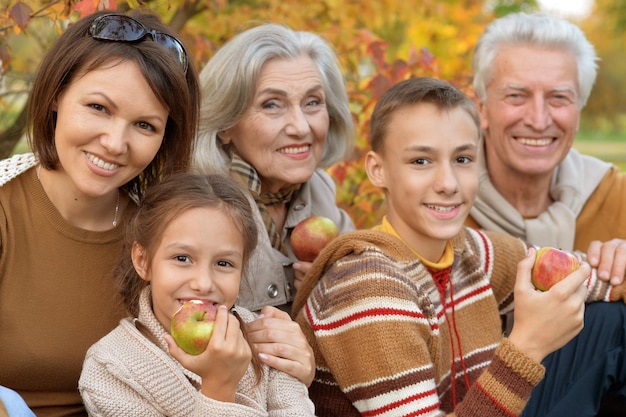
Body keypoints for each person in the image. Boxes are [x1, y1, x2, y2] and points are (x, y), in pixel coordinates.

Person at [293, 77, 626, 416]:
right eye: (421, 161)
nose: (448, 184)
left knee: (612, 320)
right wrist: (527, 346)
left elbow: (589, 278)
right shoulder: (367, 287)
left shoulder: (470, 251)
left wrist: (617, 264)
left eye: (462, 159)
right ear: (378, 171)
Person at [0, 10, 199, 416]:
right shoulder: (7, 209)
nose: (114, 142)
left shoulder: (164, 237)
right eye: (98, 107)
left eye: (144, 125)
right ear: (56, 94)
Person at [192, 23, 355, 386]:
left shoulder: (322, 193)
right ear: (225, 125)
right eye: (272, 105)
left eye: (313, 102)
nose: (300, 126)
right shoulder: (193, 210)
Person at [79, 172, 315, 415]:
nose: (203, 283)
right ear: (143, 260)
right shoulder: (111, 369)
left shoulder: (265, 341)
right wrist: (219, 389)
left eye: (223, 263)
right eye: (182, 258)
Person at [465, 12, 626, 286]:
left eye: (559, 98)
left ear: (579, 110)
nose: (538, 121)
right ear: (481, 108)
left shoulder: (616, 197)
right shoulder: (436, 201)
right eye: (516, 96)